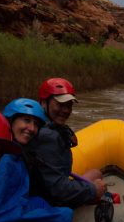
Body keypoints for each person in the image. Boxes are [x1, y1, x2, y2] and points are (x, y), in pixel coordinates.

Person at [28, 78, 106, 207]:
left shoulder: (44, 126)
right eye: (60, 104)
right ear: (43, 103)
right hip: (49, 199)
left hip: (45, 189)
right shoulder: (47, 136)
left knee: (95, 173)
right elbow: (57, 189)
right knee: (97, 178)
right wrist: (93, 190)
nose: (65, 110)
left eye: (69, 105)